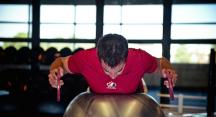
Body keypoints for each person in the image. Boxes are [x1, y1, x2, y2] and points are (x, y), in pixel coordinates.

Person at [48, 33, 177, 94]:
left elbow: (160, 62)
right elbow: (61, 62)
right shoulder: (86, 58)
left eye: (119, 70)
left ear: (127, 57)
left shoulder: (139, 58)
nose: (113, 77)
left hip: (134, 99)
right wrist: (55, 72)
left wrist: (167, 70)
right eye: (107, 71)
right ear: (98, 57)